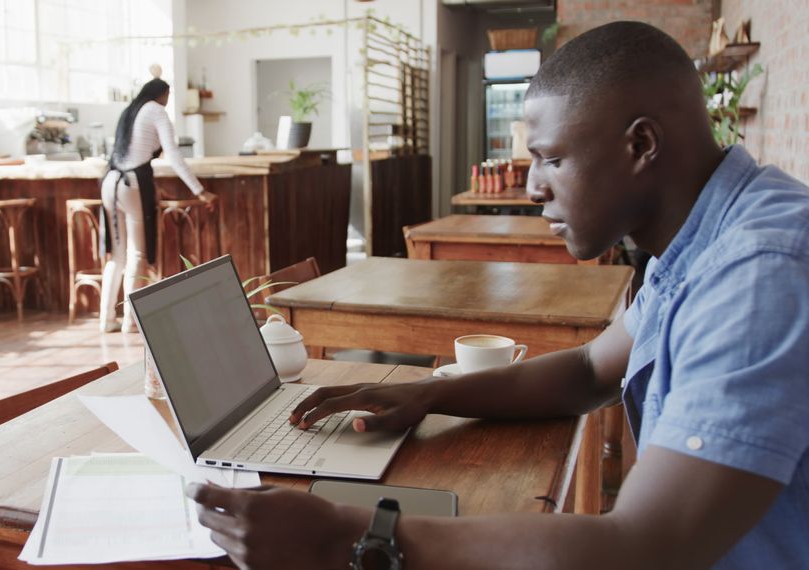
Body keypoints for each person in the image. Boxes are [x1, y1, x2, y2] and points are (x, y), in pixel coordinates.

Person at [187, 21, 809, 569]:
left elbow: (643, 547)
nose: (534, 186)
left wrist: (343, 540)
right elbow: (590, 368)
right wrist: (425, 394)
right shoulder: (704, 240)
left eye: (551, 158)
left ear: (641, 145)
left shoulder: (758, 275)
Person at [99, 77, 217, 333]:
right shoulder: (156, 110)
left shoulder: (130, 110)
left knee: (117, 256)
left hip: (110, 180)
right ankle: (130, 321)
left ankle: (106, 318)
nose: (168, 99)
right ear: (161, 94)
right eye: (168, 94)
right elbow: (173, 154)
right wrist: (200, 191)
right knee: (137, 254)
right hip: (132, 182)